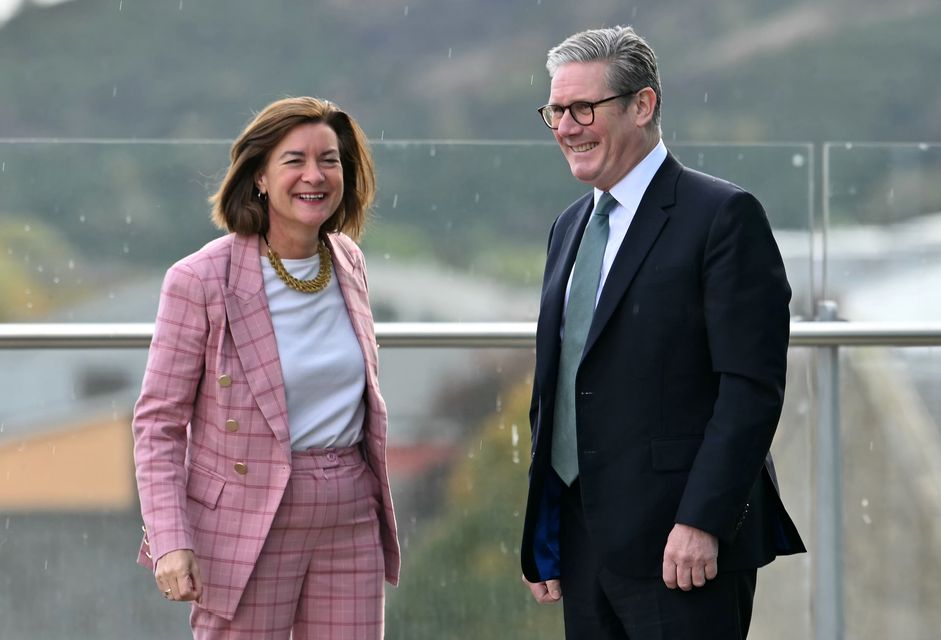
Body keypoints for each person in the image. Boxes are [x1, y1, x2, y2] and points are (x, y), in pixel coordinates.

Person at [520, 26, 806, 639]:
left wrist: (702, 520)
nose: (566, 127)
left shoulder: (723, 216)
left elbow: (750, 388)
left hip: (683, 546)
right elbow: (561, 384)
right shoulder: (568, 228)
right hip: (581, 540)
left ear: (642, 105)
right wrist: (542, 529)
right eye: (555, 111)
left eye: (583, 108)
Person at [132, 96, 399, 639]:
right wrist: (170, 539)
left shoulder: (348, 260)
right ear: (258, 176)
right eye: (294, 160)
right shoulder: (200, 279)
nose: (315, 175)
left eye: (330, 160)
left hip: (349, 511)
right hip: (247, 518)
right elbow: (158, 422)